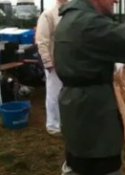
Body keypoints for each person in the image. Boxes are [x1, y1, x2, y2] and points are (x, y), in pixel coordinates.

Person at [54, 0, 125, 174]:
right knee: (102, 164)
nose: (116, 0)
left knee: (80, 160)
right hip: (94, 113)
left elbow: (108, 35)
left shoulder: (74, 17)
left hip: (77, 108)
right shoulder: (88, 23)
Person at [36, 0, 69, 135]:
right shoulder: (48, 15)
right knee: (54, 94)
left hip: (69, 62)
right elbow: (42, 41)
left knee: (65, 93)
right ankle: (53, 125)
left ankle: (64, 122)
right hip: (55, 63)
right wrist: (48, 62)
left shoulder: (71, 13)